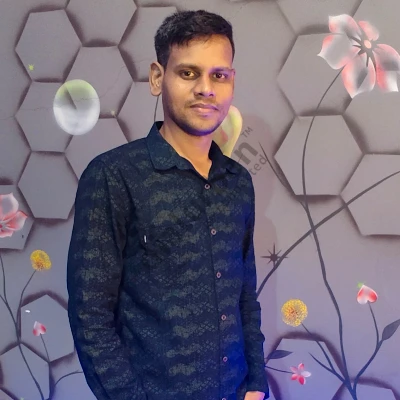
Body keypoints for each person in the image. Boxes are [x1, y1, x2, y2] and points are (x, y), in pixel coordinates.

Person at [67, 9, 269, 400]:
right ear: (158, 78)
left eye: (219, 75)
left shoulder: (238, 182)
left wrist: (256, 383)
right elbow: (90, 315)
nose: (206, 89)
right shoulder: (114, 176)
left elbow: (244, 295)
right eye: (189, 73)